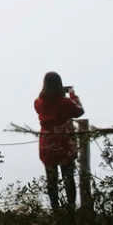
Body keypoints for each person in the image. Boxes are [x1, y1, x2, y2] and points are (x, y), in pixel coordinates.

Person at [34, 71, 85, 210]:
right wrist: (72, 94)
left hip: (47, 146)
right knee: (68, 178)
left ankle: (55, 208)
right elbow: (79, 111)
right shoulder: (65, 102)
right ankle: (71, 207)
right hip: (64, 146)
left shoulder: (38, 103)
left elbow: (41, 106)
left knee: (51, 180)